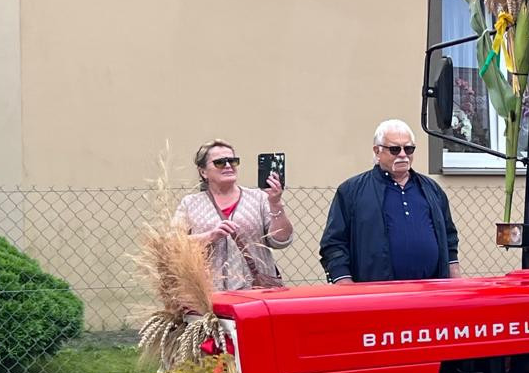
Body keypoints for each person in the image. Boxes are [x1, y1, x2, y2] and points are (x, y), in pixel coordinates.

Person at [320, 119, 460, 283]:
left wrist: (455, 280)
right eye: (394, 149)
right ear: (377, 151)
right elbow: (334, 244)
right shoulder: (351, 191)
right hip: (378, 296)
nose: (403, 154)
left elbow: (449, 239)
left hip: (429, 294)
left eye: (408, 149)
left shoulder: (432, 190)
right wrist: (344, 284)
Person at [175, 140, 292, 289]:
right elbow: (174, 245)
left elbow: (281, 240)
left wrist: (276, 204)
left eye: (232, 161)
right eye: (220, 162)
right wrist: (210, 236)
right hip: (207, 295)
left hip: (255, 292)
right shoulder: (190, 203)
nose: (228, 166)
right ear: (203, 172)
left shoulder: (259, 198)